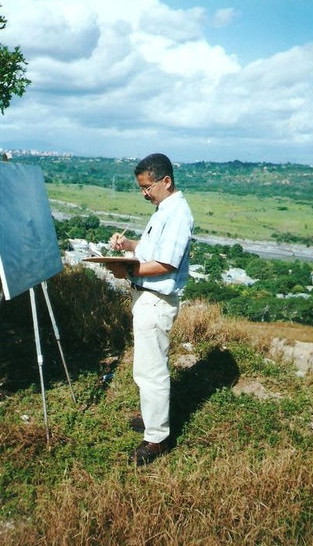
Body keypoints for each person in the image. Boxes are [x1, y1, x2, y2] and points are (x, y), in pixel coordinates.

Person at [106, 153, 194, 466]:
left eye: (148, 187)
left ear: (166, 181)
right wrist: (128, 246)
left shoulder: (177, 213)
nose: (145, 193)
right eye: (141, 188)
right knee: (145, 367)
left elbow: (166, 263)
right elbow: (150, 251)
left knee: (152, 371)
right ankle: (152, 417)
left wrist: (127, 272)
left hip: (156, 300)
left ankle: (156, 439)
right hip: (145, 298)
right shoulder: (163, 210)